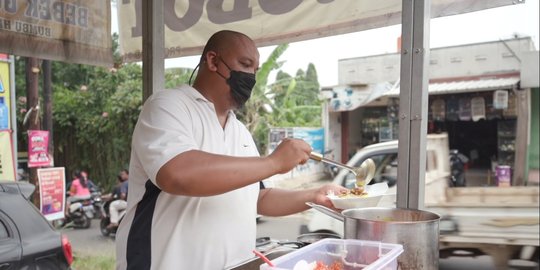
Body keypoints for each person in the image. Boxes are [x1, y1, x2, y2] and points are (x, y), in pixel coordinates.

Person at [115, 30, 348, 269]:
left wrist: (316, 196)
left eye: (255, 70)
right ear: (213, 61)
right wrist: (273, 162)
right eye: (245, 65)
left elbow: (260, 197)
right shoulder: (168, 106)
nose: (251, 77)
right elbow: (177, 173)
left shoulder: (240, 131)